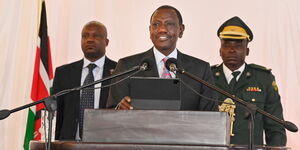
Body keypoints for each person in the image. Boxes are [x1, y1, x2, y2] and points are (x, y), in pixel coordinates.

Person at [107, 5, 218, 111]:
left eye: (169, 24)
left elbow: (212, 117)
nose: (162, 29)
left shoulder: (200, 70)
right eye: (156, 24)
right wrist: (119, 109)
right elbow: (110, 112)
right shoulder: (127, 66)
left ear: (181, 30)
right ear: (150, 30)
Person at [211, 16, 286, 146]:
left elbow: (275, 128)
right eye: (226, 44)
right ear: (220, 50)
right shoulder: (207, 77)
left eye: (238, 45)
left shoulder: (263, 79)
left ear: (247, 50)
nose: (232, 50)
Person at [53, 21, 117, 140]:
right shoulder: (63, 73)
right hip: (69, 143)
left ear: (106, 42)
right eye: (85, 36)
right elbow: (58, 113)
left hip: (106, 143)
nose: (90, 40)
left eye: (96, 35)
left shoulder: (119, 71)